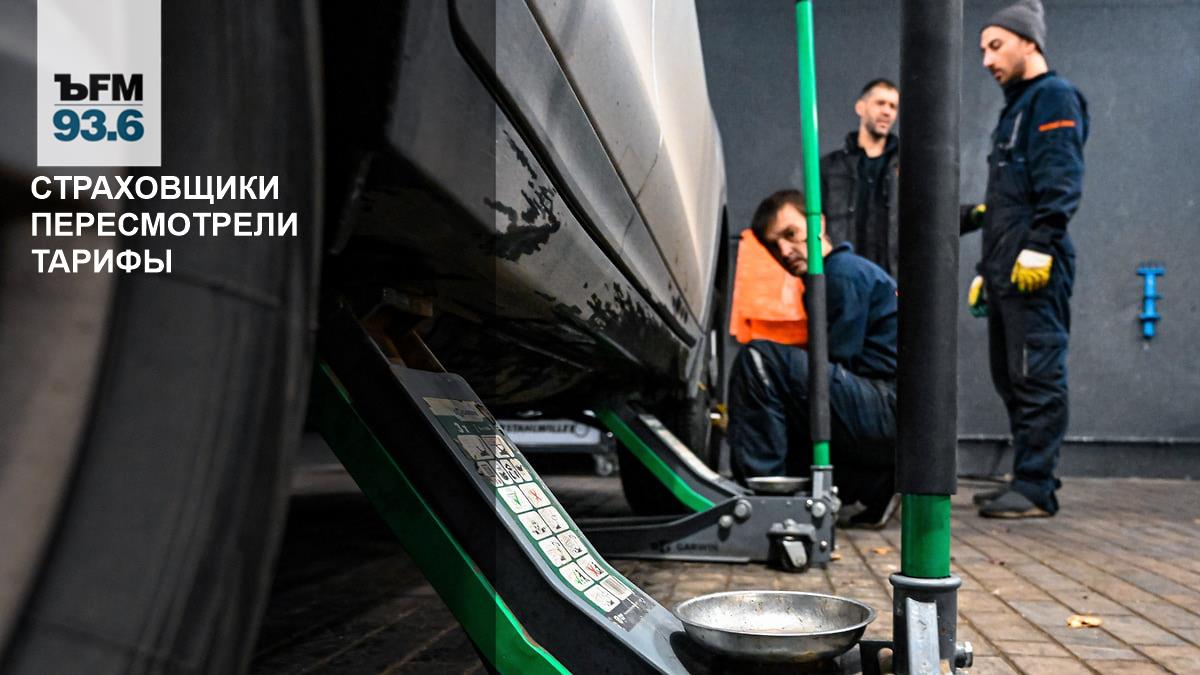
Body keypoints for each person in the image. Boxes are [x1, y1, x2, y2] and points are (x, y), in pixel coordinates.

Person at [962, 0, 1089, 518]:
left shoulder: (1053, 97)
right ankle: (1026, 476)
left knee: (1037, 375)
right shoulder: (1015, 108)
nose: (987, 60)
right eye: (983, 50)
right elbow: (1007, 203)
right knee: (1011, 377)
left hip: (1036, 265)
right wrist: (984, 271)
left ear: (1029, 42)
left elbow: (1060, 179)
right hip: (1007, 268)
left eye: (996, 46)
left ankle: (1037, 486)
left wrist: (1042, 242)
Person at [728, 190, 899, 528]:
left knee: (759, 360)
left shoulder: (841, 274)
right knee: (784, 404)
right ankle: (877, 484)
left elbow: (837, 366)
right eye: (774, 245)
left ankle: (761, 507)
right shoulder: (842, 274)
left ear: (818, 223)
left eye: (790, 234)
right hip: (890, 414)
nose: (784, 251)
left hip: (886, 408)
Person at [820, 79, 900, 278]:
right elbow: (813, 221)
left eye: (893, 106)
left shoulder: (909, 168)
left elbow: (934, 215)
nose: (887, 112)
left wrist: (973, 214)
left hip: (891, 281)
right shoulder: (830, 167)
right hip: (843, 278)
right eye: (880, 103)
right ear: (860, 108)